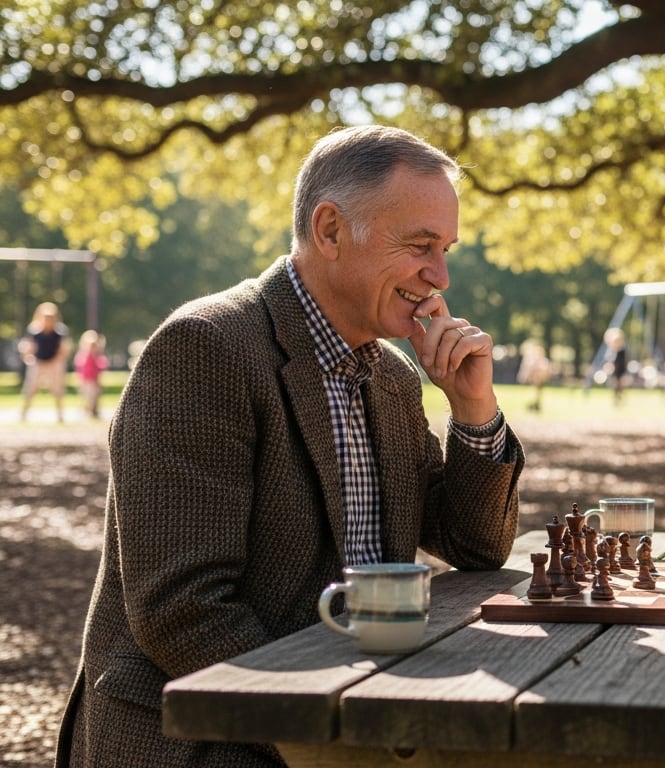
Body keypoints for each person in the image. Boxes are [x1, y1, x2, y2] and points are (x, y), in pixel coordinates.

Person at [56, 125, 524, 767]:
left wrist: (473, 407)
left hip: (347, 711)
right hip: (210, 740)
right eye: (420, 245)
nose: (439, 275)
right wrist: (330, 731)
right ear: (330, 230)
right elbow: (182, 612)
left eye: (445, 249)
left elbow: (474, 547)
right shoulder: (205, 347)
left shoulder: (391, 374)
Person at [18, 301, 72, 422]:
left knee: (58, 389)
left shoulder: (60, 331)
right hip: (38, 362)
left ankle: (60, 414)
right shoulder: (34, 330)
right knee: (30, 388)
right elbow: (27, 345)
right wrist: (28, 357)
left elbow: (64, 348)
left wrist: (59, 360)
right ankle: (23, 413)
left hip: (54, 363)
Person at [72, 330, 109, 420]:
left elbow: (101, 366)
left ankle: (94, 410)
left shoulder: (97, 356)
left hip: (94, 380)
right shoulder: (83, 356)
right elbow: (79, 368)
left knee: (95, 396)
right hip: (86, 380)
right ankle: (86, 410)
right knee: (86, 396)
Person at [516, 339, 554, 412]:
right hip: (534, 380)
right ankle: (533, 404)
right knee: (534, 392)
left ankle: (535, 404)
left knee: (538, 392)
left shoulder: (543, 361)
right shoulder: (533, 361)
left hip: (539, 380)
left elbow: (546, 371)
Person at [603, 326, 629, 404]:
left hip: (621, 371)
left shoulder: (622, 351)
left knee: (621, 385)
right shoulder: (610, 351)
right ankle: (616, 398)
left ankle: (620, 397)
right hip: (613, 372)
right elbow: (608, 361)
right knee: (615, 385)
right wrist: (608, 367)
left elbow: (625, 362)